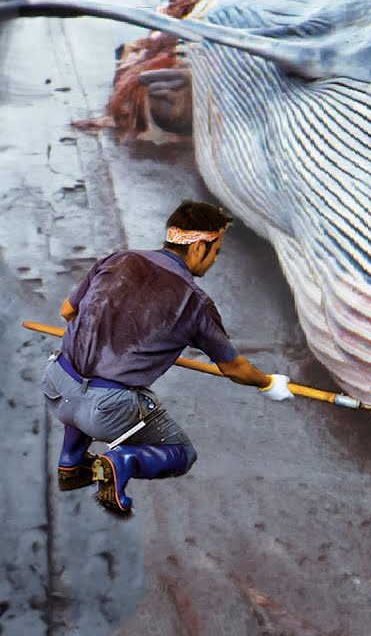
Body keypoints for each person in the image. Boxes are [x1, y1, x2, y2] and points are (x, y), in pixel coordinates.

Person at [43, 200, 294, 515]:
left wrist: (105, 334)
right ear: (200, 247)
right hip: (105, 410)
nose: (214, 259)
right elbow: (233, 367)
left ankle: (71, 464)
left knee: (83, 382)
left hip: (56, 384)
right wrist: (269, 383)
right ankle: (122, 461)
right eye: (216, 251)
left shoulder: (117, 259)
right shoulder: (194, 302)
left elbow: (68, 311)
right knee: (180, 452)